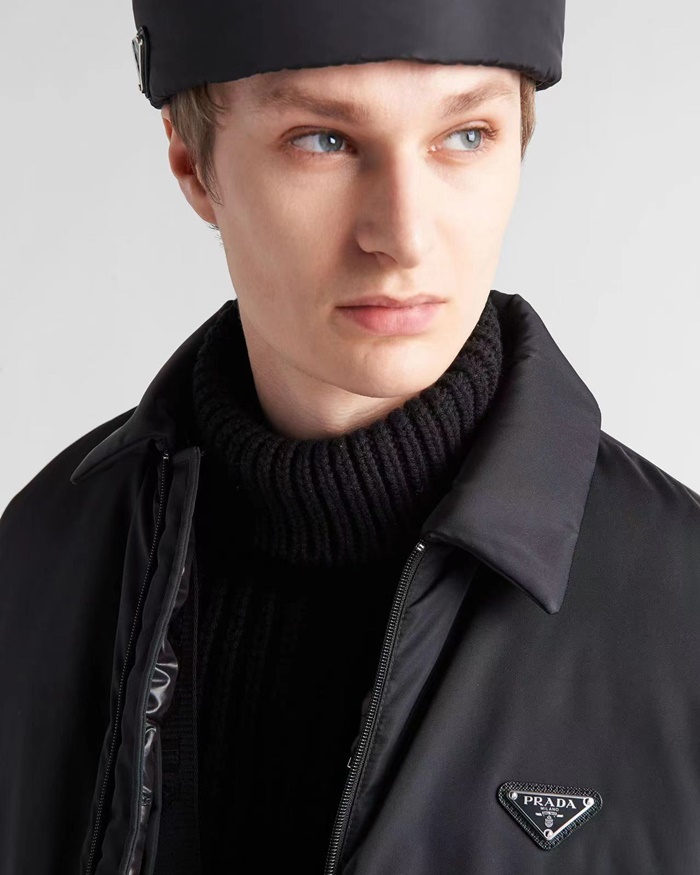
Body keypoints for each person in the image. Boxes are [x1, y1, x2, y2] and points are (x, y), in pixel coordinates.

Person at [1, 0, 699, 873]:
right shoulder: (39, 564)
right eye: (323, 140)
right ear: (192, 163)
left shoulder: (683, 612)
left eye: (467, 136)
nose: (402, 236)